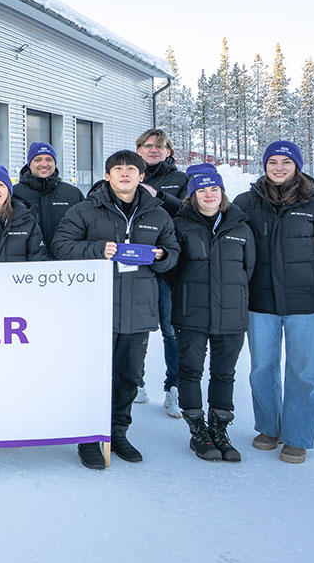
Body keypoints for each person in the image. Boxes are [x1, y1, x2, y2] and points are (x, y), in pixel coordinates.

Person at [51, 149, 180, 470]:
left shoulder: (158, 214)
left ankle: (118, 433)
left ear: (141, 176)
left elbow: (173, 254)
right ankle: (89, 438)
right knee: (93, 376)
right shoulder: (85, 210)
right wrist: (97, 249)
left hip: (138, 308)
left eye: (131, 169)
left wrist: (162, 256)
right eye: (118, 169)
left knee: (129, 376)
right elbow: (61, 245)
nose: (125, 173)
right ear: (107, 175)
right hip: (95, 309)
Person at [233, 140, 314, 465]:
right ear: (264, 165)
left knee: (305, 372)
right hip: (261, 302)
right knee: (262, 369)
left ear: (297, 166)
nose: (279, 168)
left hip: (308, 303)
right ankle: (269, 428)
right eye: (272, 161)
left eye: (286, 162)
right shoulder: (246, 203)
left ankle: (297, 437)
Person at [168, 164, 255, 462]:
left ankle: (219, 430)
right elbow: (171, 271)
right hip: (191, 312)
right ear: (192, 196)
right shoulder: (180, 226)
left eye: (214, 189)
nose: (209, 195)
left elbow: (248, 270)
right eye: (202, 190)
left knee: (224, 374)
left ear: (222, 193)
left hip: (231, 315)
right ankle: (198, 432)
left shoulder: (240, 227)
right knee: (190, 371)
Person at [132, 128, 190, 412]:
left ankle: (173, 388)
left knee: (171, 330)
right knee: (134, 328)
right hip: (135, 265)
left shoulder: (181, 179)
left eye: (160, 146)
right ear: (139, 150)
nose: (153, 150)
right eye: (148, 145)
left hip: (168, 265)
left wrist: (160, 195)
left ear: (168, 151)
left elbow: (190, 211)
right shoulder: (130, 173)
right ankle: (136, 383)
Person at [12, 141, 84, 250]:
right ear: (29, 164)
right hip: (26, 257)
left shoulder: (73, 194)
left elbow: (85, 228)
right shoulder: (15, 194)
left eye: (49, 159)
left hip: (65, 257)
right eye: (38, 159)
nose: (44, 164)